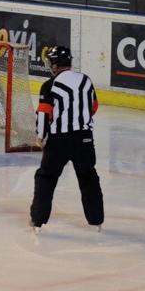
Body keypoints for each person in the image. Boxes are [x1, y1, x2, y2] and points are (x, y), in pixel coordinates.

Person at [30, 46, 104, 233]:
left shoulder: (50, 85)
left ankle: (38, 221)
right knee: (88, 178)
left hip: (59, 141)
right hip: (85, 140)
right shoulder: (86, 81)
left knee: (46, 177)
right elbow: (93, 106)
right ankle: (96, 221)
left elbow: (44, 113)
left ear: (54, 65)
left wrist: (40, 135)